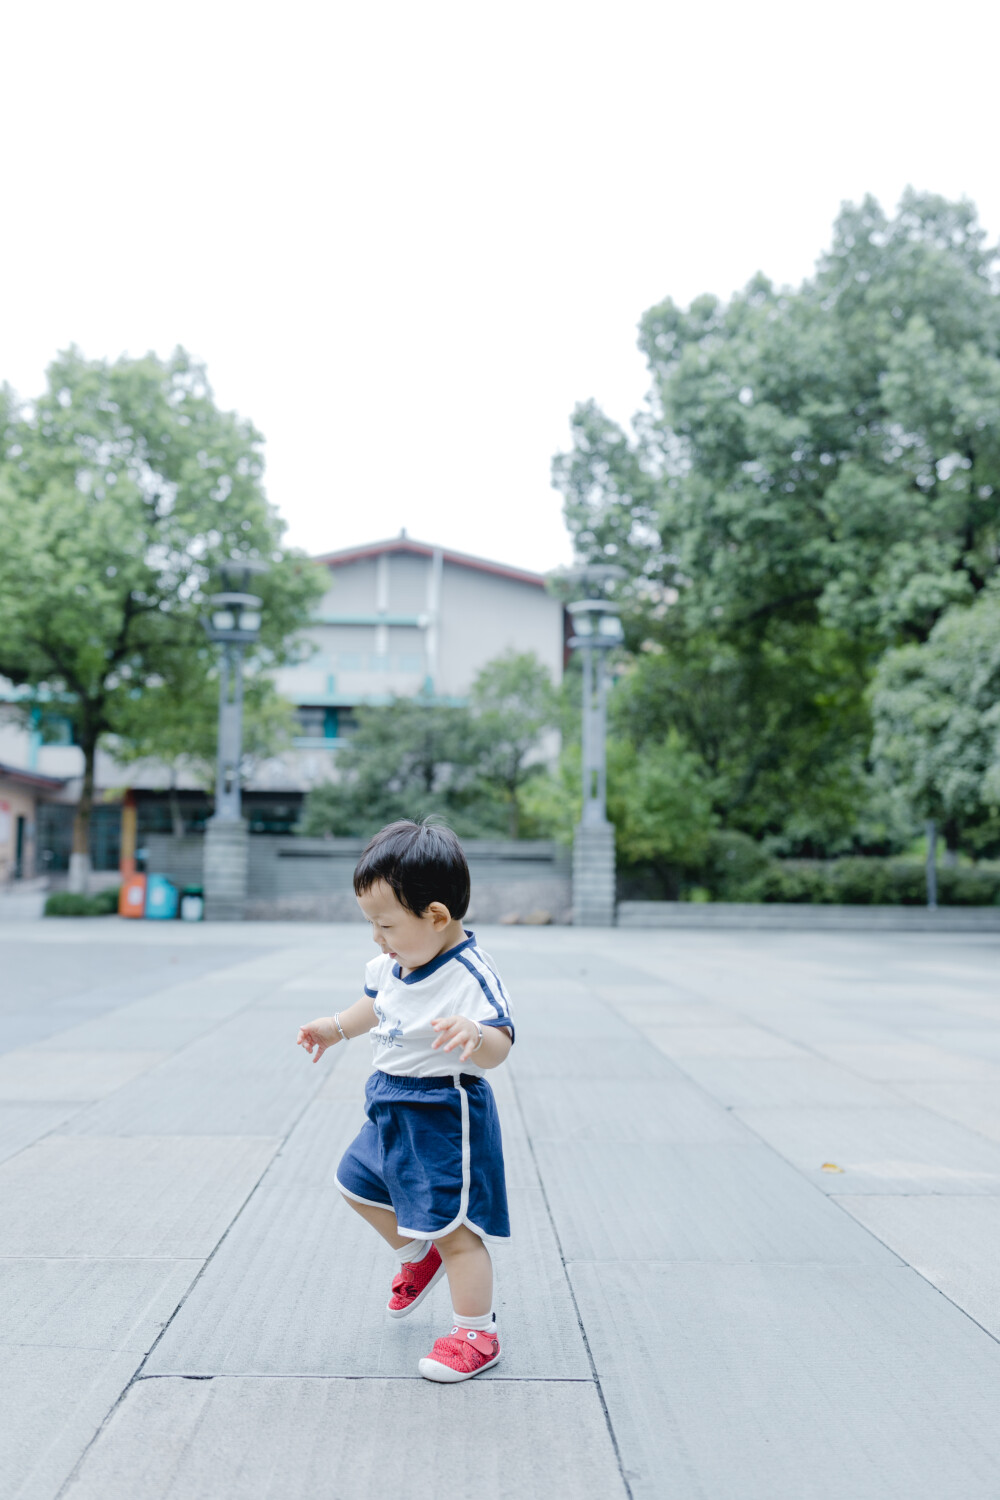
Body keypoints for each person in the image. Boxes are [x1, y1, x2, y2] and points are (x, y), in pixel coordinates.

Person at [296, 819, 514, 1383]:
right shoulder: (395, 962)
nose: (377, 936)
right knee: (355, 1182)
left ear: (436, 916)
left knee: (456, 1230)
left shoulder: (471, 974)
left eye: (385, 924)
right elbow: (377, 1003)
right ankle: (419, 1257)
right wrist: (334, 1027)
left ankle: (477, 1333)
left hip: (442, 1110)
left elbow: (500, 1045)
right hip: (389, 1100)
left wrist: (476, 1035)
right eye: (371, 923)